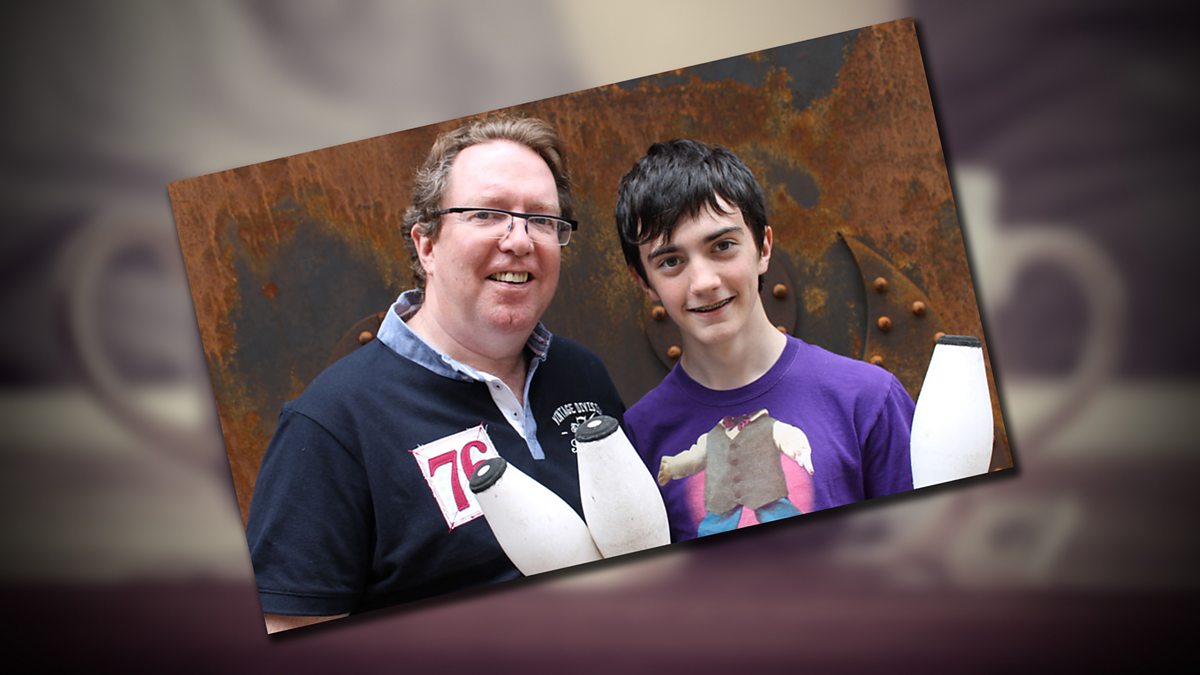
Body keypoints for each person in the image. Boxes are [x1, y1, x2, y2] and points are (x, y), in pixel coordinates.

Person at [246, 115, 625, 632]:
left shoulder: (581, 374)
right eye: (488, 214)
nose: (520, 240)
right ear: (427, 244)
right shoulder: (333, 424)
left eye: (541, 219)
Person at [614, 139, 913, 543]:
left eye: (722, 246)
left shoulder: (868, 399)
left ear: (764, 247)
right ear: (644, 282)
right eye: (671, 261)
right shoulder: (641, 435)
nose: (704, 282)